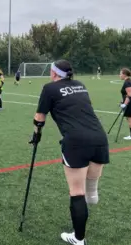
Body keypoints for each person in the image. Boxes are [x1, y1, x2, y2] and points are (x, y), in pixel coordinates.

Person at [30, 59, 109, 245]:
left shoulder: (49, 88)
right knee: (89, 192)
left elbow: (39, 117)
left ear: (54, 73)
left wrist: (36, 135)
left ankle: (78, 239)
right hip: (99, 138)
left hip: (76, 141)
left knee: (76, 192)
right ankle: (91, 196)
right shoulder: (80, 85)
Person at [119, 68, 131, 140]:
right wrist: (123, 101)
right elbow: (126, 94)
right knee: (129, 118)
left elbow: (129, 95)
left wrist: (125, 104)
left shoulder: (127, 82)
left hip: (130, 102)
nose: (119, 75)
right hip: (130, 101)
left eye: (120, 74)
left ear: (124, 74)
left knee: (130, 118)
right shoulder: (128, 81)